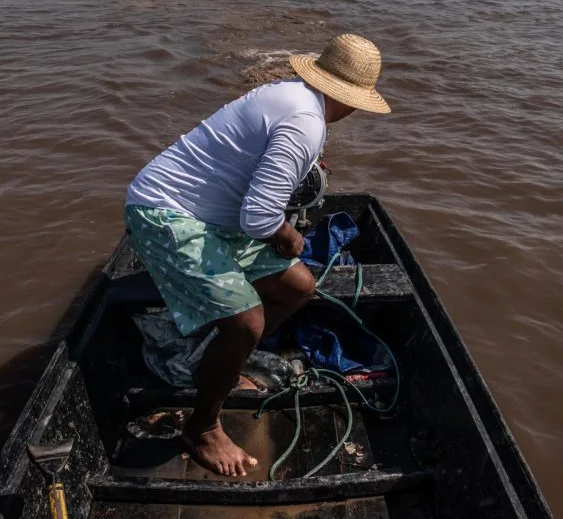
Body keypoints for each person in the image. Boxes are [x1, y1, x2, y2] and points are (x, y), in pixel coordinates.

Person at [124, 33, 391, 477]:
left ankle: (226, 357)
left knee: (298, 287)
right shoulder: (306, 123)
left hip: (216, 215)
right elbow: (260, 217)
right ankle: (203, 426)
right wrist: (288, 238)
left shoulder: (289, 93)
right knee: (248, 320)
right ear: (354, 100)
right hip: (164, 212)